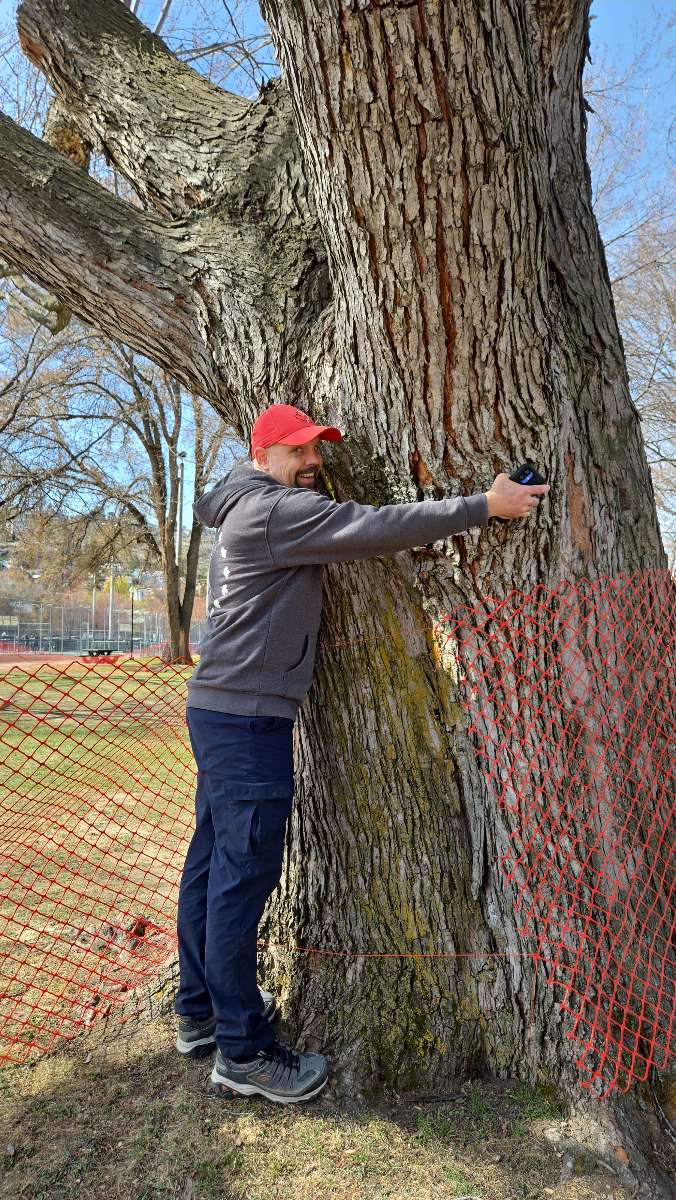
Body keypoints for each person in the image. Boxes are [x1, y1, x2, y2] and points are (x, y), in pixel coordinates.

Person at [174, 403, 549, 1104]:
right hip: (246, 720)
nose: (312, 462)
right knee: (240, 879)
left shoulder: (241, 508)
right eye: (297, 450)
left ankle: (199, 1011)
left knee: (212, 867)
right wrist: (484, 506)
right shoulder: (273, 511)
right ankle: (243, 1051)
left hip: (224, 710)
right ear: (262, 455)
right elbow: (375, 526)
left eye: (316, 449)